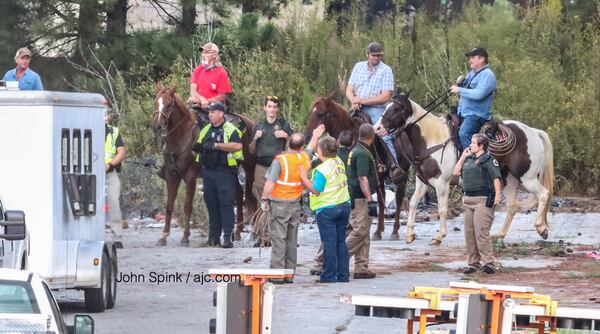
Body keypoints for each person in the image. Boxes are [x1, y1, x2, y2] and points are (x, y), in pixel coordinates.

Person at [260, 127, 324, 284]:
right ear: (301, 147)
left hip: (279, 204)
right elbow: (311, 148)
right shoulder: (304, 159)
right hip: (295, 205)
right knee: (291, 239)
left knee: (278, 239)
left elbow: (269, 183)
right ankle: (289, 274)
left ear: (288, 143)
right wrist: (315, 135)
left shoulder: (280, 161)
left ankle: (277, 274)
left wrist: (264, 200)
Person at [301, 136, 351, 283]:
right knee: (341, 242)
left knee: (329, 242)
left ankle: (329, 276)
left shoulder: (321, 169)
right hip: (344, 205)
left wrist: (304, 178)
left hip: (327, 209)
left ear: (320, 151)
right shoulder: (339, 162)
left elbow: (316, 190)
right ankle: (343, 275)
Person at [192, 102, 243, 248]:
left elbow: (238, 145)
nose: (210, 115)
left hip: (225, 172)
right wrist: (197, 148)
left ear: (221, 113)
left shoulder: (230, 129)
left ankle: (228, 238)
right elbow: (199, 146)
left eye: (213, 112)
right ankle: (213, 238)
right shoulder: (205, 129)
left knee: (226, 205)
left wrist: (217, 145)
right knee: (212, 205)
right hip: (208, 172)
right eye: (209, 113)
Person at [453, 134, 502, 275]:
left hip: (483, 199)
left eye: (473, 143)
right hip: (468, 200)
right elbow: (456, 172)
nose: (470, 145)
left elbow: (496, 178)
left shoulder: (488, 160)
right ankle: (473, 263)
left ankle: (489, 263)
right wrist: (463, 157)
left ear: (481, 146)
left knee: (481, 232)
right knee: (469, 234)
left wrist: (497, 196)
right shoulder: (468, 159)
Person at [249, 96, 293, 246]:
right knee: (262, 199)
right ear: (265, 108)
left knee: (280, 199)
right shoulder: (258, 126)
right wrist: (255, 138)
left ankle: (281, 236)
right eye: (269, 106)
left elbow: (295, 146)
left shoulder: (283, 125)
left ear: (278, 109)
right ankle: (264, 236)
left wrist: (286, 136)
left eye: (275, 107)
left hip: (278, 166)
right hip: (261, 166)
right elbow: (250, 150)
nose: (272, 109)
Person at [345, 42, 396, 162]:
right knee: (342, 129)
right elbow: (349, 89)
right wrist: (353, 100)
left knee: (384, 136)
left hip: (376, 109)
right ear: (367, 54)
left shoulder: (386, 70)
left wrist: (362, 101)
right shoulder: (358, 66)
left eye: (379, 55)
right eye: (374, 55)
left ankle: (394, 168)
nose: (377, 58)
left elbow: (385, 96)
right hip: (356, 107)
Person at [345, 124, 379, 279]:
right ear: (371, 136)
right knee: (360, 230)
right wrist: (370, 200)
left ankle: (361, 266)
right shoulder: (362, 153)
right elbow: (362, 178)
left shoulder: (355, 150)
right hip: (360, 197)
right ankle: (339, 256)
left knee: (364, 231)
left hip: (356, 196)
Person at [450, 47, 497, 151]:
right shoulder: (472, 73)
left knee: (464, 133)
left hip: (476, 115)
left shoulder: (488, 75)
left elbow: (479, 94)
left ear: (481, 59)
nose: (470, 60)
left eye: (472, 57)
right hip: (463, 113)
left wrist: (459, 90)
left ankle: (473, 162)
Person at [105, 111, 127, 244]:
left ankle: (117, 238)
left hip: (109, 172)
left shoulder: (114, 132)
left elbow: (121, 152)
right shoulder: (88, 128)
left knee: (114, 202)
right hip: (91, 173)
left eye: (107, 114)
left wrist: (110, 165)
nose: (106, 116)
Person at [187, 42, 231, 109]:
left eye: (207, 53)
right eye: (203, 52)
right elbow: (193, 90)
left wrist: (206, 101)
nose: (203, 55)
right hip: (197, 105)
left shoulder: (221, 72)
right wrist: (201, 99)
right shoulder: (197, 70)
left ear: (214, 55)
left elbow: (222, 96)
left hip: (215, 108)